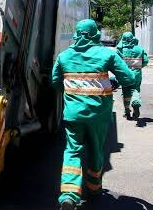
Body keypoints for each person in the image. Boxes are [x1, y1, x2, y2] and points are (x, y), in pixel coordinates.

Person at [51, 19, 136, 209]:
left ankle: (69, 194)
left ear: (77, 34)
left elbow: (56, 82)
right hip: (98, 116)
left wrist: (72, 89)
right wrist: (113, 82)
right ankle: (94, 188)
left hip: (73, 115)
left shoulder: (64, 57)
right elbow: (129, 78)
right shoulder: (107, 54)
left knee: (72, 151)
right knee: (96, 150)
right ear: (95, 35)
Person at [116, 32, 149, 120]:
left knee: (125, 92)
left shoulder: (120, 50)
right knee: (135, 89)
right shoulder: (139, 49)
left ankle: (127, 112)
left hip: (125, 74)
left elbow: (117, 62)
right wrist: (137, 66)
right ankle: (135, 101)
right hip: (136, 74)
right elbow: (145, 61)